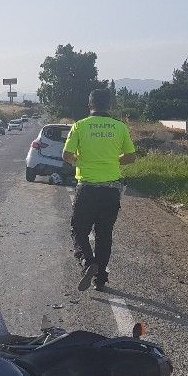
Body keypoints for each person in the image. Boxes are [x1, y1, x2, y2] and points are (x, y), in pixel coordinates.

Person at [62, 88, 136, 292]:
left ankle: (88, 262)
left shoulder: (80, 126)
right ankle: (100, 279)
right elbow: (131, 157)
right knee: (104, 234)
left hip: (87, 189)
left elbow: (66, 155)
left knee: (79, 230)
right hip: (111, 190)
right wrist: (113, 161)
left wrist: (80, 161)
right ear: (109, 105)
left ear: (90, 104)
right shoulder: (120, 127)